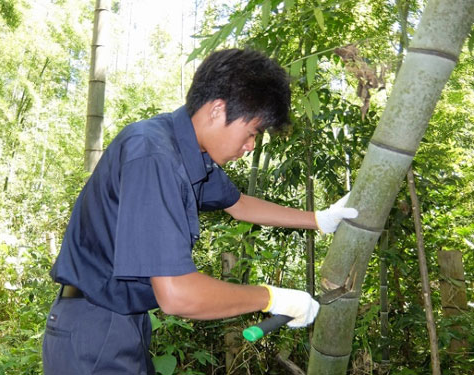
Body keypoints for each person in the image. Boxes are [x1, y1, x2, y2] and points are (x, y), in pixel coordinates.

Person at [42, 48, 358, 374]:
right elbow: (177, 295)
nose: (251, 146)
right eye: (252, 133)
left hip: (123, 322)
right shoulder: (153, 155)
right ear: (217, 110)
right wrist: (271, 298)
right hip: (93, 331)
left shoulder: (188, 154)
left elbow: (239, 205)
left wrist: (319, 219)